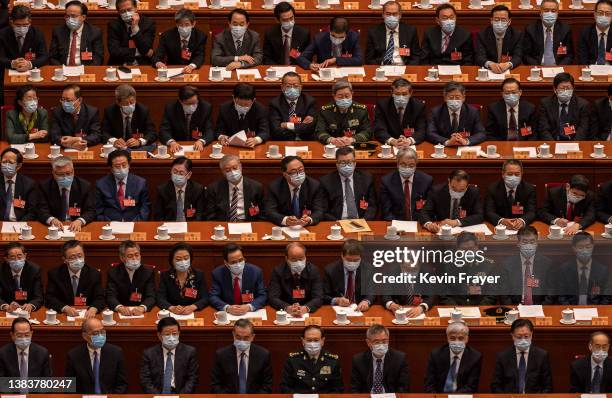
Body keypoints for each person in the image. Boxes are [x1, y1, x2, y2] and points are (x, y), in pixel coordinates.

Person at [65, 318, 128, 394]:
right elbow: (69, 387)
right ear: (85, 336)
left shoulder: (116, 353)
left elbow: (122, 385)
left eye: (102, 332)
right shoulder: (74, 355)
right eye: (95, 333)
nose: (100, 336)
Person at [45, 240, 105, 318]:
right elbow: (49, 298)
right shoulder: (55, 274)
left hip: (87, 315)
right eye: (72, 257)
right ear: (64, 260)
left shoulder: (94, 274)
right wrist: (64, 308)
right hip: (64, 315)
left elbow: (100, 298)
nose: (77, 260)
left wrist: (93, 308)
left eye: (80, 256)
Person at [210, 319, 273, 393]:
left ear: (252, 337)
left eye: (246, 338)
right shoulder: (221, 355)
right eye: (238, 337)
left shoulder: (263, 355)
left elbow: (267, 385)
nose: (241, 341)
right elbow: (215, 385)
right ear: (233, 335)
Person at [491, 319, 553, 393]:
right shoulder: (503, 356)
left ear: (531, 335)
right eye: (519, 337)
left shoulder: (542, 356)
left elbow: (548, 386)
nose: (523, 340)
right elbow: (495, 386)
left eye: (526, 336)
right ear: (512, 336)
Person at [140, 317, 198, 394]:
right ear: (159, 335)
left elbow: (192, 380)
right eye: (167, 334)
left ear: (179, 333)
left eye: (174, 334)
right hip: (158, 394)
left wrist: (181, 397)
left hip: (180, 394)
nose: (171, 338)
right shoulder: (149, 354)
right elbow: (145, 381)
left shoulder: (189, 352)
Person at [37, 156, 95, 231]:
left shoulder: (85, 186)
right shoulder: (45, 186)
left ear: (73, 171)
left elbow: (91, 211)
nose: (65, 177)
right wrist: (52, 220)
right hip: (54, 227)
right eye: (60, 174)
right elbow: (41, 210)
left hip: (77, 226)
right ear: (54, 173)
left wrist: (80, 221)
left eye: (68, 173)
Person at [319, 146, 378, 221]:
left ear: (355, 163)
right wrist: (337, 222)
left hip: (361, 222)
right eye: (343, 162)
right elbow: (323, 210)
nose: (347, 166)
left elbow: (372, 207)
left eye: (350, 162)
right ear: (337, 164)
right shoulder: (326, 182)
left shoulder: (366, 179)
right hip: (337, 223)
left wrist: (364, 220)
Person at [438, 232, 498, 306]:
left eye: (471, 248)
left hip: (480, 307)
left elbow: (492, 293)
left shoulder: (488, 265)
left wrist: (481, 309)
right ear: (458, 249)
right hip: (455, 308)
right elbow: (444, 294)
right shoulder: (448, 266)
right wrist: (455, 309)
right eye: (464, 249)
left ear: (477, 247)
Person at [500, 226, 553, 305]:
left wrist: (543, 307)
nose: (529, 245)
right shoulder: (507, 264)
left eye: (532, 242)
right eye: (524, 242)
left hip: (539, 308)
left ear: (537, 243)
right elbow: (504, 294)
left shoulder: (547, 264)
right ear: (518, 243)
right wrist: (512, 309)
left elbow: (551, 292)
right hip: (515, 308)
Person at [280, 325, 343, 393]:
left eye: (316, 340)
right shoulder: (292, 360)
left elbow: (338, 389)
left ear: (322, 341)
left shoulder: (332, 361)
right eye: (309, 340)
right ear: (303, 341)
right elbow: (285, 387)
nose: (312, 344)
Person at [265, 155, 324, 226]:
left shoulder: (314, 185)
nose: (298, 175)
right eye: (293, 172)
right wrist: (285, 220)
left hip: (306, 227)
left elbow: (319, 210)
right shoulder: (274, 187)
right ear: (285, 174)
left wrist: (309, 219)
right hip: (284, 228)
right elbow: (270, 211)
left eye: (301, 170)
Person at [209, 244, 267, 315]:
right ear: (226, 263)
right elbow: (213, 296)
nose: (238, 264)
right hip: (229, 314)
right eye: (233, 262)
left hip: (249, 313)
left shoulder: (256, 272)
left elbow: (263, 295)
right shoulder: (217, 274)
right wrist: (227, 308)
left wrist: (249, 307)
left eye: (240, 260)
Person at [204, 154, 265, 221]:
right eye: (227, 170)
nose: (232, 172)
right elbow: (210, 215)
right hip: (224, 224)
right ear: (222, 172)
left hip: (248, 224)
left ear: (241, 167)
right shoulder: (214, 189)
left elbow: (263, 214)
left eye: (235, 168)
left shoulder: (256, 187)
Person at [424, 323, 482, 393]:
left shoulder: (475, 357)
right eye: (452, 338)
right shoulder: (436, 355)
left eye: (461, 338)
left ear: (467, 339)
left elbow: (471, 387)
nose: (456, 342)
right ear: (447, 338)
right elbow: (429, 384)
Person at [350, 324, 409, 392]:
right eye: (376, 342)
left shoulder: (400, 359)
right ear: (368, 342)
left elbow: (404, 388)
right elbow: (355, 389)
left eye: (384, 341)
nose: (381, 345)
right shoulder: (358, 360)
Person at [95, 149, 151, 221]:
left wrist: (136, 223)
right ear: (111, 168)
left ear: (129, 165)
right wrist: (108, 224)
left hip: (134, 223)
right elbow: (98, 210)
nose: (121, 169)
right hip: (110, 224)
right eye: (117, 166)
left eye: (124, 165)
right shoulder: (101, 184)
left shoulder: (140, 183)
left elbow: (145, 207)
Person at [268, 242, 324, 315]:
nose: (298, 263)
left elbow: (319, 297)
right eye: (294, 259)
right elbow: (273, 298)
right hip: (285, 312)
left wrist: (306, 308)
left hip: (307, 312)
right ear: (286, 258)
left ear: (305, 257)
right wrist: (287, 308)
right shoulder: (278, 272)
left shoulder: (313, 271)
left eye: (301, 259)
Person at [380, 147, 432, 221]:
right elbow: (387, 212)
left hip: (419, 222)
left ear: (416, 165)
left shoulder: (426, 181)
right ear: (397, 164)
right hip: (396, 224)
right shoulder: (387, 182)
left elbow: (427, 209)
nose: (407, 168)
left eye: (411, 165)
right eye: (403, 165)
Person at [426, 81, 486, 146]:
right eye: (451, 97)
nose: (454, 100)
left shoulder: (473, 112)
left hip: (464, 148)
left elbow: (481, 133)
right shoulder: (435, 112)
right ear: (445, 98)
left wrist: (466, 141)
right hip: (445, 148)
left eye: (457, 97)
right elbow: (430, 133)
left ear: (463, 98)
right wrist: (447, 142)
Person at [557, 232, 609, 305]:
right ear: (574, 248)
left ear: (593, 247)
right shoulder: (564, 269)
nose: (584, 251)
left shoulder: (602, 270)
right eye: (580, 247)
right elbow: (561, 296)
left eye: (588, 247)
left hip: (594, 310)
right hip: (571, 309)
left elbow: (606, 298)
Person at [106, 240, 156, 316]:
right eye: (130, 256)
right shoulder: (113, 272)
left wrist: (142, 308)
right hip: (121, 312)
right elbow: (110, 296)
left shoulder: (148, 272)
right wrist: (120, 308)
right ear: (122, 258)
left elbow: (151, 296)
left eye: (137, 255)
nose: (134, 258)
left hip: (141, 312)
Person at [323, 239, 376, 311]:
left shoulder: (368, 270)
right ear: (342, 256)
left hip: (360, 309)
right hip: (338, 310)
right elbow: (324, 295)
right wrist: (337, 300)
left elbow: (372, 293)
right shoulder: (330, 270)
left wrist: (366, 302)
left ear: (361, 257)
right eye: (349, 260)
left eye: (356, 260)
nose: (352, 263)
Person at [159, 85, 214, 153]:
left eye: (194, 103)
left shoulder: (205, 107)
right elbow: (164, 130)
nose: (192, 107)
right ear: (180, 100)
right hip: (177, 147)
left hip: (197, 147)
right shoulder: (170, 108)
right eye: (189, 104)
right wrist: (171, 142)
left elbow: (209, 130)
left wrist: (201, 141)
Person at [157, 243, 208, 315]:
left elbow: (205, 297)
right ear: (172, 261)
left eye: (186, 258)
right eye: (178, 259)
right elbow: (160, 298)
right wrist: (171, 308)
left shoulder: (198, 275)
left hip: (193, 313)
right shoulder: (165, 276)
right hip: (172, 314)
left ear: (191, 259)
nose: (183, 262)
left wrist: (193, 307)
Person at [101, 84, 158, 149]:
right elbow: (104, 132)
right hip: (118, 149)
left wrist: (139, 141)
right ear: (118, 103)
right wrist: (114, 141)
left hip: (137, 148)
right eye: (126, 103)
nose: (130, 105)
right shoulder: (110, 111)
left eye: (132, 102)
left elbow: (152, 133)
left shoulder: (142, 110)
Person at [315, 79, 371, 145]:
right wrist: (332, 140)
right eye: (340, 97)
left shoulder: (361, 110)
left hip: (354, 145)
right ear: (334, 96)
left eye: (347, 96)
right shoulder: (326, 111)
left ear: (352, 94)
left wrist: (353, 139)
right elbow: (319, 132)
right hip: (332, 146)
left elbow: (367, 132)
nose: (344, 99)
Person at [485, 160, 537, 229]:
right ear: (503, 174)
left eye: (517, 174)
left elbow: (532, 212)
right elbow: (489, 212)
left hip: (520, 229)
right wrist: (501, 221)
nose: (513, 177)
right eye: (509, 174)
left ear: (522, 174)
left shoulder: (529, 189)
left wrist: (522, 221)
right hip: (500, 228)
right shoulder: (492, 189)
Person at [374, 78, 427, 147]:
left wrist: (409, 141)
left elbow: (422, 131)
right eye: (397, 94)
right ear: (392, 93)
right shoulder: (382, 105)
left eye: (404, 94)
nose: (401, 97)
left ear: (410, 93)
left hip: (410, 145)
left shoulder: (419, 106)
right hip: (390, 145)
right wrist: (393, 141)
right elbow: (379, 130)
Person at [365, 1, 421, 65]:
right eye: (388, 14)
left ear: (400, 15)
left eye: (395, 14)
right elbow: (369, 59)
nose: (391, 17)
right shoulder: (373, 32)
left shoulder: (410, 31)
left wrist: (408, 69)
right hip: (382, 67)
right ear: (383, 15)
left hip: (404, 67)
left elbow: (416, 56)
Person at [296, 17, 362, 71]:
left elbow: (359, 60)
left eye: (341, 37)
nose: (337, 39)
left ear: (347, 33)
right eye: (333, 36)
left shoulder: (353, 37)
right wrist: (309, 65)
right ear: (329, 29)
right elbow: (301, 57)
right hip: (324, 72)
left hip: (345, 72)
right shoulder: (319, 39)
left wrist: (336, 60)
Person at [539, 73, 591, 141]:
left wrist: (573, 146)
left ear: (573, 88)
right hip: (553, 141)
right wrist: (553, 145)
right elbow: (544, 129)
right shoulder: (545, 104)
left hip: (574, 143)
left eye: (568, 88)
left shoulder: (583, 105)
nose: (565, 91)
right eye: (562, 88)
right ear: (555, 89)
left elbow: (583, 130)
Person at [49, 1, 103, 65]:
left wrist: (86, 71)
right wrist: (62, 70)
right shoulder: (58, 31)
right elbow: (52, 57)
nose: (69, 19)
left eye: (73, 16)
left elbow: (98, 58)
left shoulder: (94, 32)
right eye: (67, 16)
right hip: (63, 69)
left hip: (85, 70)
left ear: (83, 17)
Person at [153, 8, 205, 73]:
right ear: (177, 24)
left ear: (193, 24)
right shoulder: (167, 36)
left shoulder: (200, 36)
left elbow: (200, 56)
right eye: (181, 25)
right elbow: (157, 55)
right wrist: (158, 63)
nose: (184, 28)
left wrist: (191, 66)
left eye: (187, 24)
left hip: (192, 71)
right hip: (172, 70)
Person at [522, 0, 574, 65]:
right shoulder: (531, 29)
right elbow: (526, 55)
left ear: (557, 13)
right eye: (546, 11)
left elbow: (569, 55)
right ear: (540, 13)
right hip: (537, 67)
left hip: (559, 67)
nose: (550, 14)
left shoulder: (565, 29)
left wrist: (560, 67)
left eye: (553, 11)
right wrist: (537, 67)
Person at [153, 157, 205, 221]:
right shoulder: (162, 190)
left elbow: (199, 216)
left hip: (190, 226)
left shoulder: (198, 190)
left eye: (181, 173)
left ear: (189, 175)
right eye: (175, 172)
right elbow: (158, 216)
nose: (177, 175)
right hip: (169, 226)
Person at [50, 84, 101, 148]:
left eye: (68, 100)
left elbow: (96, 136)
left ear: (79, 100)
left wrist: (77, 139)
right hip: (64, 149)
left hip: (84, 148)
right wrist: (72, 145)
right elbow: (54, 136)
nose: (64, 103)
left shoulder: (92, 112)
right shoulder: (57, 112)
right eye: (63, 99)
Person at [268, 72, 316, 140]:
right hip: (283, 141)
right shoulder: (275, 104)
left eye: (296, 86)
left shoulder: (309, 101)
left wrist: (287, 125)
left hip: (305, 140)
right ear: (282, 87)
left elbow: (310, 128)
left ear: (301, 87)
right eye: (288, 86)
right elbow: (276, 130)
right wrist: (302, 124)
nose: (292, 89)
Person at [107, 0, 155, 65]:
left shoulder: (148, 23)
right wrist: (136, 52)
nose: (127, 13)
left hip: (142, 63)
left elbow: (146, 48)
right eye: (123, 11)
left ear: (136, 8)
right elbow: (114, 51)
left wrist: (135, 28)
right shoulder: (113, 25)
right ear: (118, 12)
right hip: (120, 63)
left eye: (129, 10)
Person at [0, 5, 48, 72]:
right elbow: (1, 57)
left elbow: (44, 57)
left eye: (25, 25)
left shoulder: (37, 33)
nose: (21, 29)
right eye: (18, 25)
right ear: (11, 22)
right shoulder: (2, 34)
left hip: (31, 72)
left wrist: (29, 64)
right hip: (8, 71)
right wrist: (12, 63)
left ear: (30, 22)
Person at [476, 5, 522, 72]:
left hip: (508, 70)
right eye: (496, 20)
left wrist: (508, 64)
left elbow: (518, 56)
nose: (499, 23)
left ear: (509, 22)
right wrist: (490, 64)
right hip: (490, 70)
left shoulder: (516, 35)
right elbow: (479, 57)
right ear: (491, 21)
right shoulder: (482, 35)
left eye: (503, 20)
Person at [0, 243, 43, 313]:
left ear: (25, 256)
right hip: (8, 310)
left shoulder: (34, 270)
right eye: (12, 257)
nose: (16, 260)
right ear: (6, 259)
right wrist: (5, 306)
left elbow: (39, 297)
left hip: (27, 310)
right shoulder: (1, 271)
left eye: (19, 256)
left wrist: (31, 305)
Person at [0, 148, 38, 221]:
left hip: (20, 224)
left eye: (10, 163)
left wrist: (20, 225)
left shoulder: (29, 184)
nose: (6, 165)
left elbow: (32, 212)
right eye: (4, 162)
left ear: (19, 166)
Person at [578, 0, 612, 65]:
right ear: (595, 14)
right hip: (591, 69)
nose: (604, 16)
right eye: (600, 13)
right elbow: (582, 58)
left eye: (608, 13)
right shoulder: (585, 33)